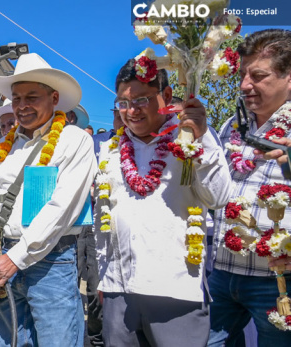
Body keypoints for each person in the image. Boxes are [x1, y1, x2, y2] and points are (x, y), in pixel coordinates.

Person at [0, 53, 95, 347]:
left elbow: (62, 209)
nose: (22, 105)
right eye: (16, 97)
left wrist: (16, 257)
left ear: (53, 98)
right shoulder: (2, 146)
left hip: (52, 262)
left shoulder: (75, 140)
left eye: (31, 97)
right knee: (10, 342)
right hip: (4, 257)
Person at [93, 58, 231, 346]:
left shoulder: (190, 140)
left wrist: (201, 137)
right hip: (119, 292)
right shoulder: (110, 148)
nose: (131, 111)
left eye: (141, 100)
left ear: (166, 97)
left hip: (176, 292)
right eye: (122, 103)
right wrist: (103, 278)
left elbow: (218, 198)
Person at [209, 29, 291, 346]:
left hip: (277, 281)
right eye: (243, 74)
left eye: (258, 76)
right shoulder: (232, 125)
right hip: (223, 273)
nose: (244, 85)